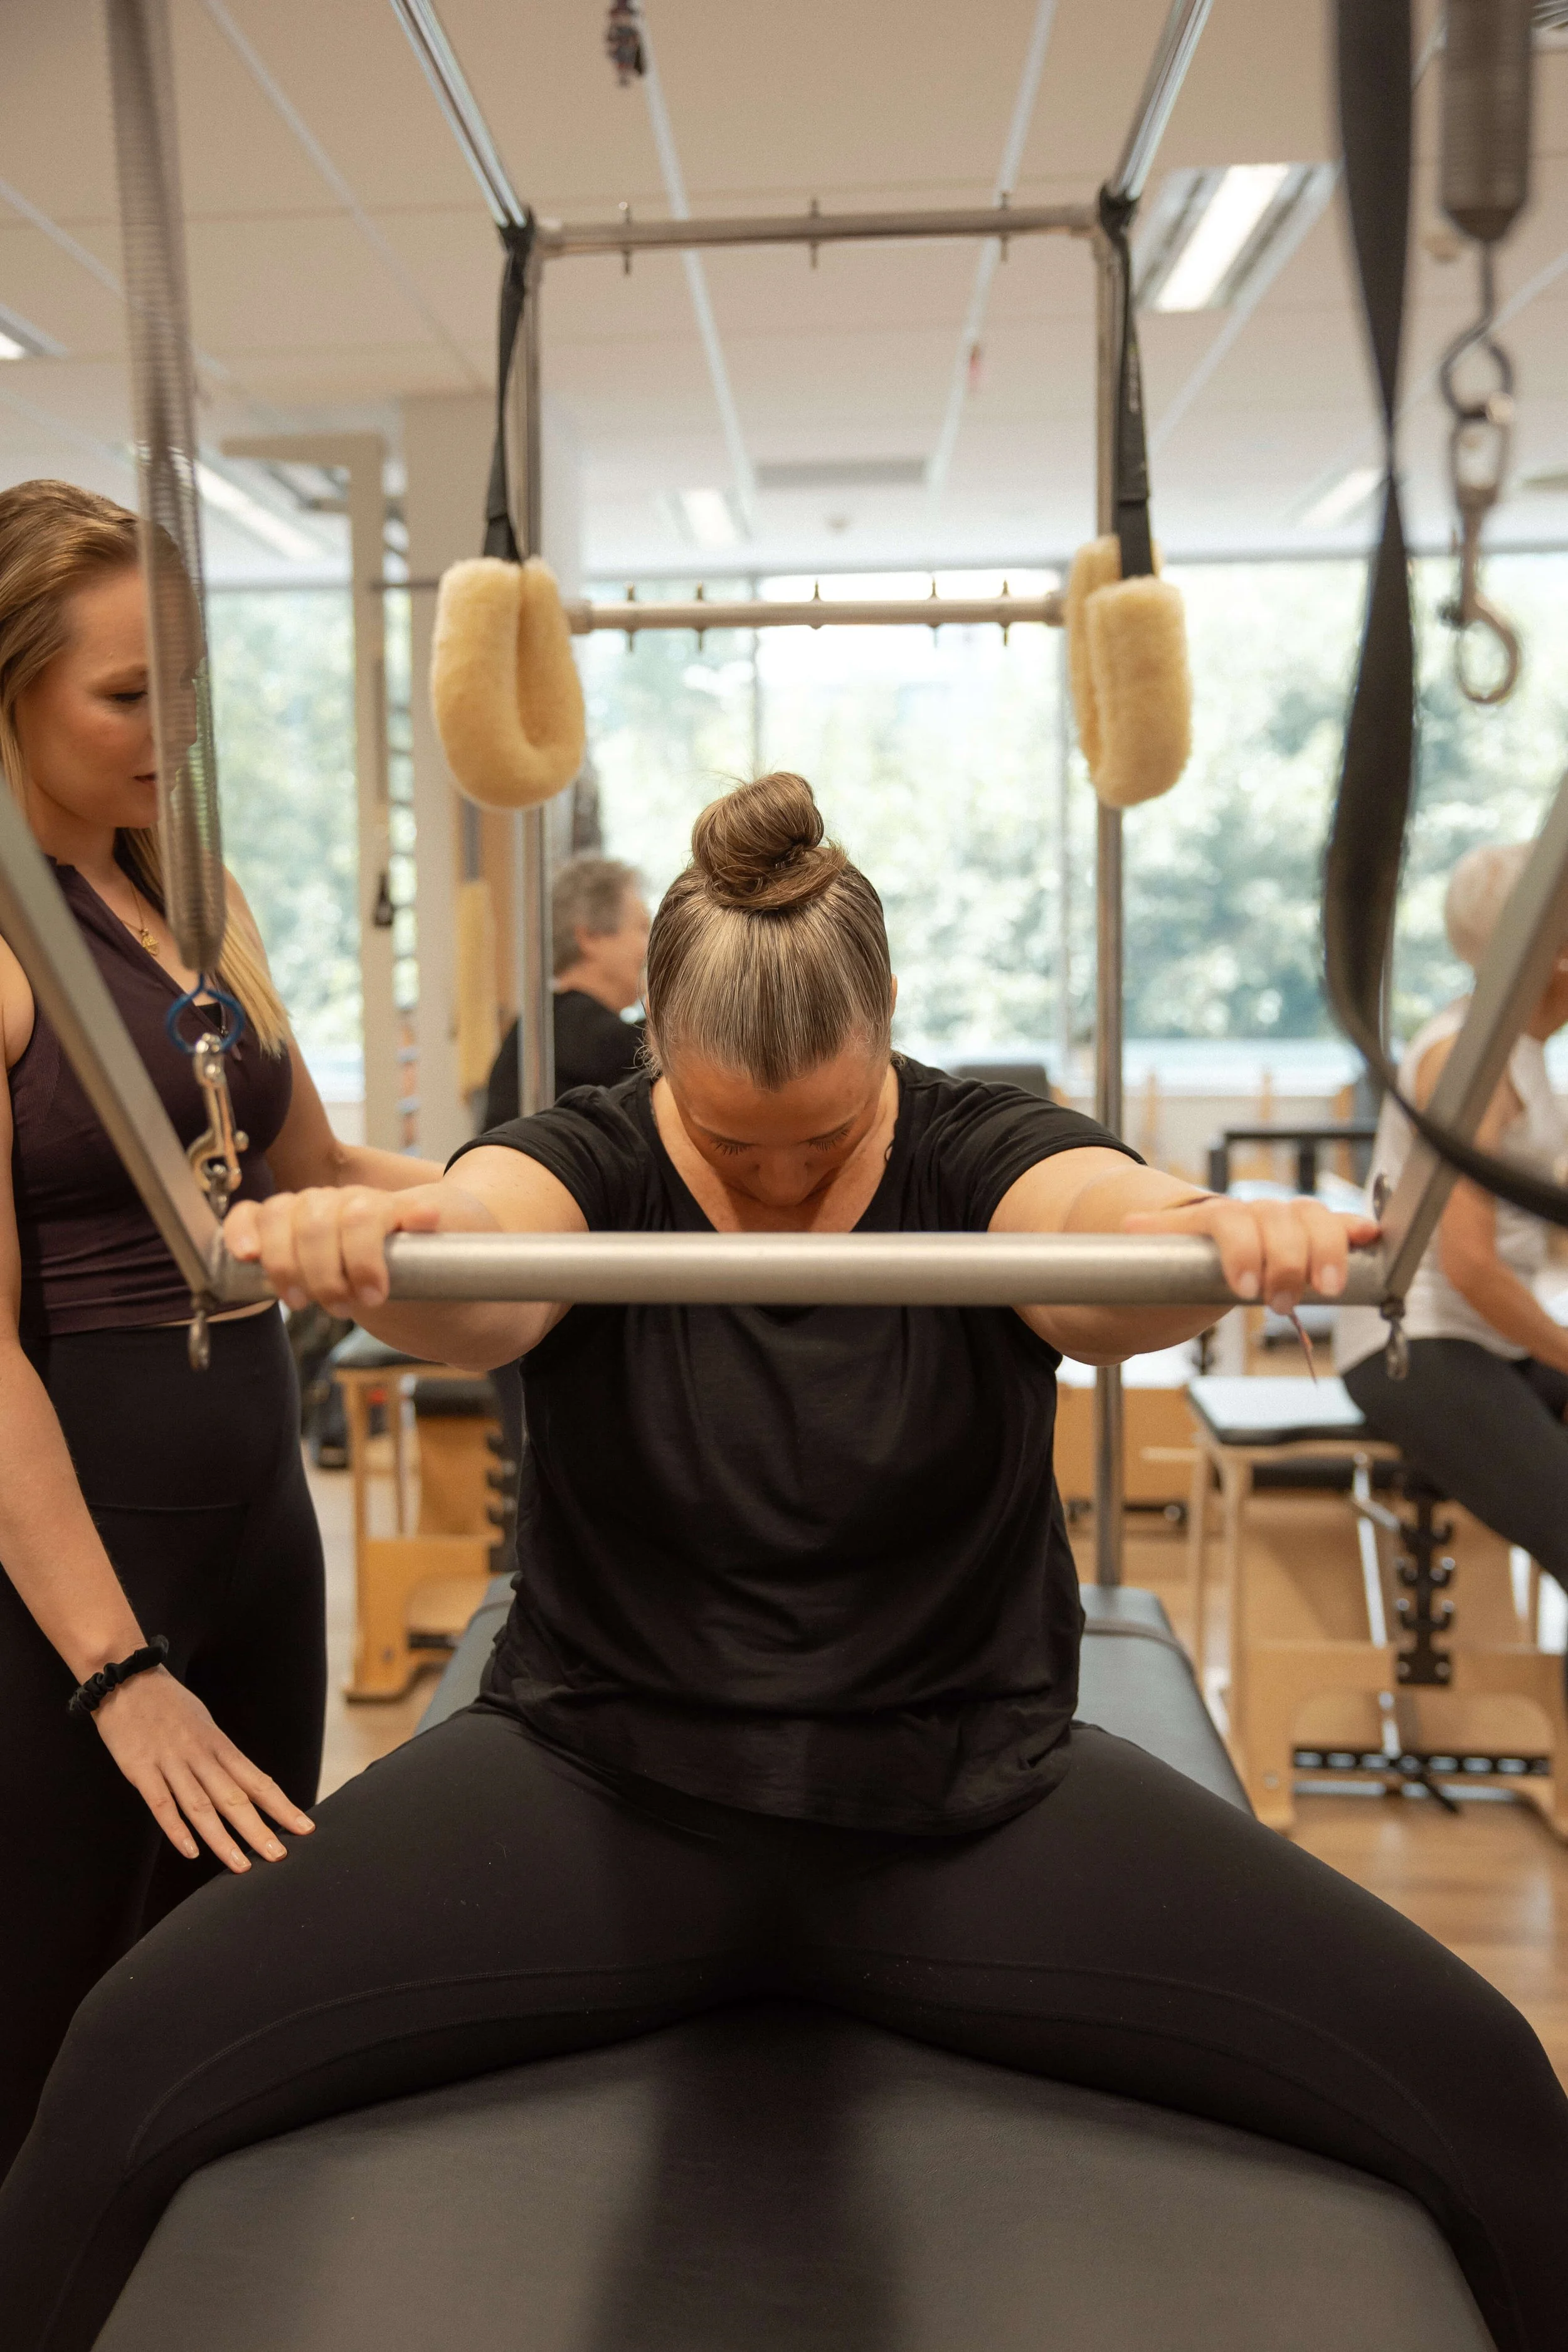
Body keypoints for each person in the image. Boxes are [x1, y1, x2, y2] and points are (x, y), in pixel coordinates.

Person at [3, 773, 1564, 2352]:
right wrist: (369, 1252)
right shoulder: (589, 1158)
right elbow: (481, 1267)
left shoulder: (975, 1148)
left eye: (818, 1135)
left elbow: (1103, 1251)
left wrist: (1215, 1236)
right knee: (131, 2047)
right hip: (604, 1794)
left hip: (963, 1807)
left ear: (886, 1023)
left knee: (1482, 2074)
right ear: (655, 1054)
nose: (773, 1183)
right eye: (727, 1138)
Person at [0, 480, 442, 2180]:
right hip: (81, 1582)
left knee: (231, 1996)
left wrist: (558, 1190)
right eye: (126, 699)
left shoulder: (186, 892)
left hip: (260, 1521)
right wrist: (117, 1675)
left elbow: (317, 1174)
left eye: (188, 693)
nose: (168, 735)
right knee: (59, 2034)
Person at [1337, 842, 1568, 1587]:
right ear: (1550, 951)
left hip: (1482, 1341)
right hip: (1416, 1346)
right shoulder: (1467, 1058)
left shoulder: (1515, 1047)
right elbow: (1469, 1266)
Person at [483, 854, 649, 1123]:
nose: (652, 946)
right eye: (642, 928)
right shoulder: (566, 1024)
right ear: (590, 938)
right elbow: (657, 1048)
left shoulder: (549, 1019)